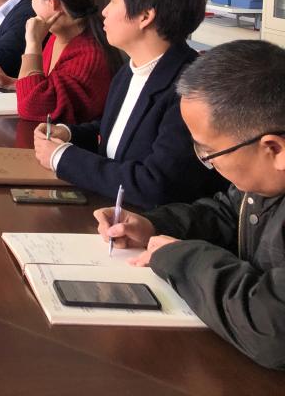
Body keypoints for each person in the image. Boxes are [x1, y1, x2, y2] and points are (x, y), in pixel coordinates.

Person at [96, 40, 285, 370]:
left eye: (209, 152)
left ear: (274, 149)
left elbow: (272, 330)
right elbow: (227, 212)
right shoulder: (263, 180)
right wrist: (153, 225)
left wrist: (180, 259)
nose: (206, 161)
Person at [31, 0, 226, 208]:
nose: (104, 11)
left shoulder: (191, 91)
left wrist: (62, 157)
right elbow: (117, 133)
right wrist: (68, 134)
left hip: (148, 222)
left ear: (145, 16)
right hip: (110, 209)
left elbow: (155, 185)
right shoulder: (129, 71)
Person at [0, 0, 121, 124]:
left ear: (52, 1)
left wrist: (33, 43)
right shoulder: (58, 35)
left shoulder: (89, 55)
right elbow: (51, 90)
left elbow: (32, 108)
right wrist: (14, 84)